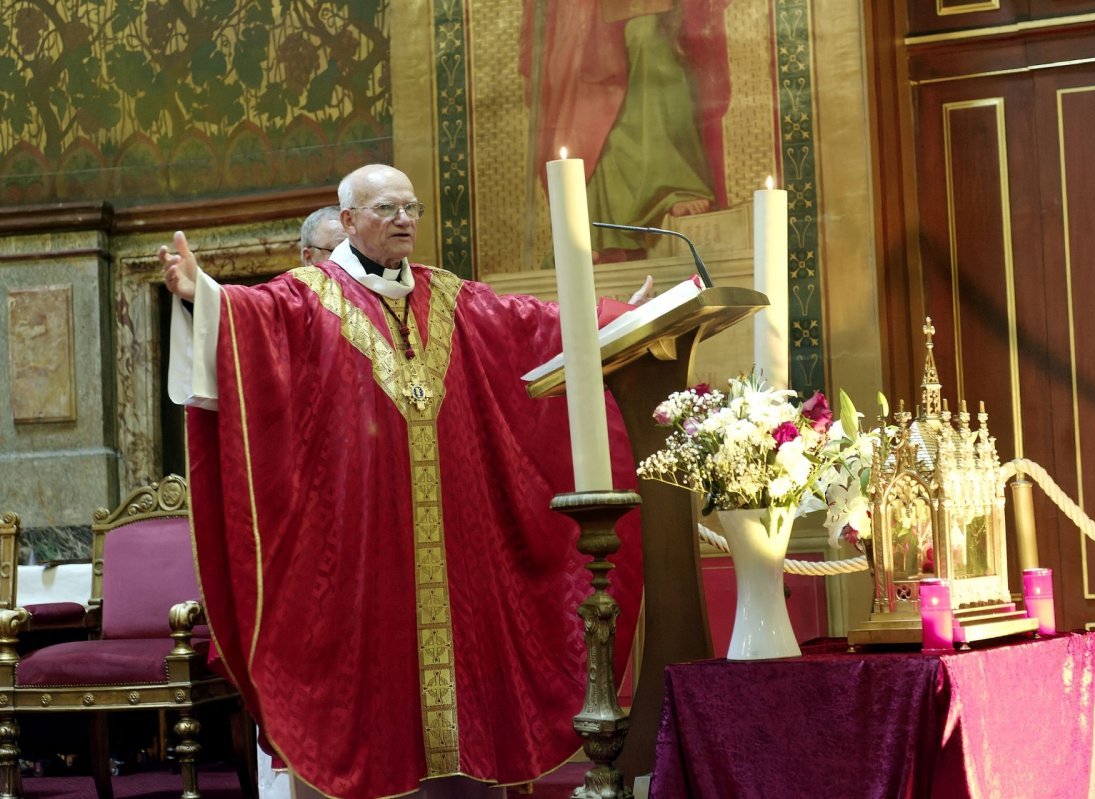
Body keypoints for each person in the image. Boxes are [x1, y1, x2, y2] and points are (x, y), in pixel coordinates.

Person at [160, 164, 643, 799]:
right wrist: (204, 293)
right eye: (387, 209)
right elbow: (255, 318)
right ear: (350, 220)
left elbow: (529, 323)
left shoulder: (451, 297)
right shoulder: (308, 296)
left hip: (458, 546)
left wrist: (613, 318)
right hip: (363, 547)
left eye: (411, 207)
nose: (404, 220)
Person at [519, 0, 732, 262]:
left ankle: (672, 185)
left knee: (648, 39)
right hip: (588, 19)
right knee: (592, 95)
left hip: (658, 15)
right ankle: (598, 227)